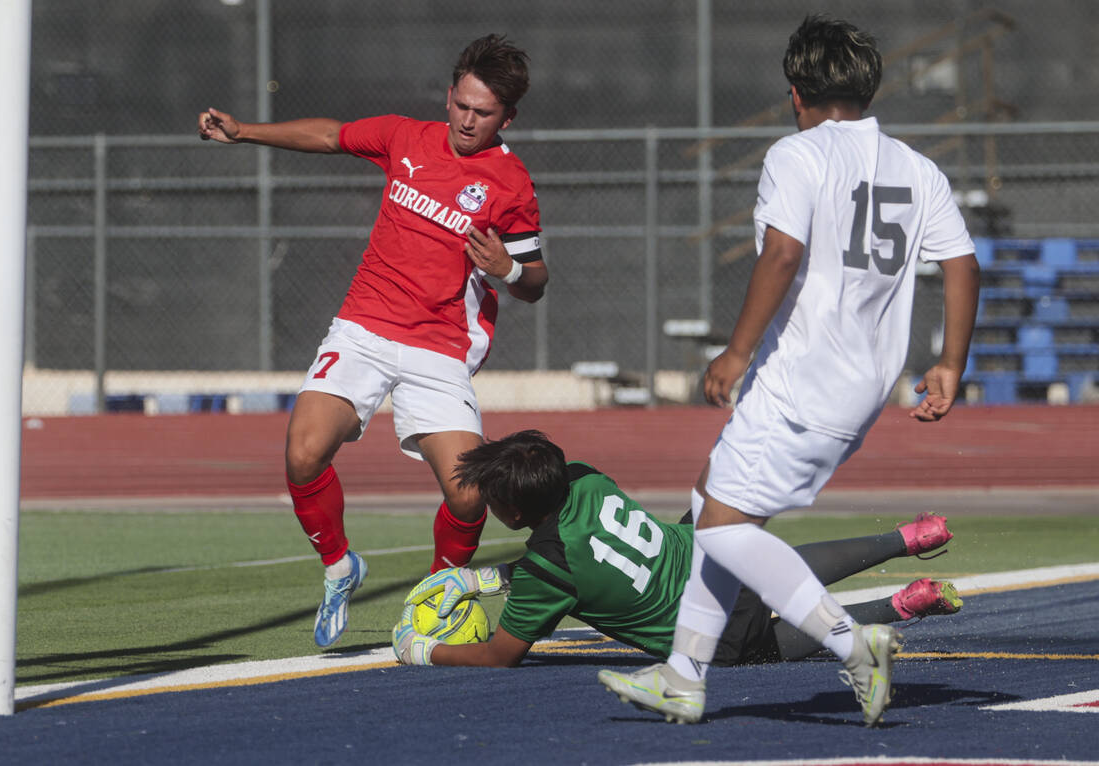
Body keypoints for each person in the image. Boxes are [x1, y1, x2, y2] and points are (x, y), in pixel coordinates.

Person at [596, 15, 981, 726]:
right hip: (861, 384)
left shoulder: (797, 156)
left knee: (716, 528)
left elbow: (780, 254)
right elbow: (961, 263)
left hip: (803, 378)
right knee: (713, 498)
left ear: (796, 93)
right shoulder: (916, 167)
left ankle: (849, 642)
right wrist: (951, 363)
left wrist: (736, 351)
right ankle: (683, 675)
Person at [197, 34, 548, 648]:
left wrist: (509, 269)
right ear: (449, 95)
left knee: (470, 497)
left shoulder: (511, 183)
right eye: (461, 105)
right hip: (364, 327)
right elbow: (330, 135)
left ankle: (439, 593)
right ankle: (340, 567)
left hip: (438, 350)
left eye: (483, 113)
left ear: (507, 117)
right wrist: (243, 131)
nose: (467, 120)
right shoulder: (403, 136)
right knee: (303, 454)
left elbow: (536, 281)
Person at [391, 430, 960, 668]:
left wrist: (421, 650)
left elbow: (501, 655)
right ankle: (907, 538)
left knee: (770, 644)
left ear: (513, 512)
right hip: (706, 552)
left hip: (707, 626)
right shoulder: (584, 478)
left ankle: (903, 604)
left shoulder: (547, 567)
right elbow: (580, 547)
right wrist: (486, 581)